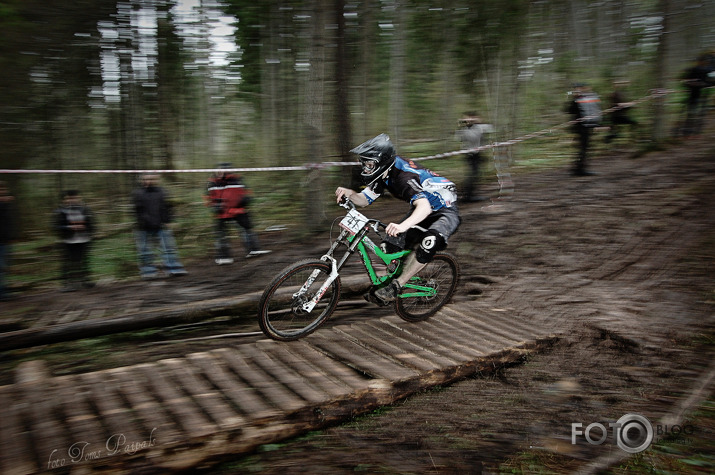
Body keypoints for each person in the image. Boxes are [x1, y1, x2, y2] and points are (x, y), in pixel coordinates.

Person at [335, 134, 461, 305]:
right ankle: (395, 277)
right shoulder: (384, 173)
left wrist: (403, 226)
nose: (365, 168)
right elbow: (364, 200)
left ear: (382, 161)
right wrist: (351, 194)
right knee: (390, 245)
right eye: (364, 164)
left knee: (430, 241)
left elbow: (424, 207)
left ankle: (397, 286)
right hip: (423, 209)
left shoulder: (403, 177)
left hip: (444, 210)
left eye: (369, 164)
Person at [206, 163, 270, 264]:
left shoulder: (237, 180)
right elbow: (207, 197)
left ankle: (253, 249)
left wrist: (246, 199)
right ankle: (223, 256)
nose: (220, 172)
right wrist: (214, 206)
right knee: (221, 234)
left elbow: (247, 192)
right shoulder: (211, 183)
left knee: (247, 229)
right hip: (221, 212)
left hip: (238, 210)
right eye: (218, 170)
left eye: (223, 170)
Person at [132, 174, 187, 278]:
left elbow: (167, 208)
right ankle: (148, 272)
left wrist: (168, 221)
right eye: (146, 179)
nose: (149, 181)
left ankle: (173, 269)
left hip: (161, 225)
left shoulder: (162, 192)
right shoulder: (137, 193)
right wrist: (144, 222)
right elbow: (137, 211)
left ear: (157, 180)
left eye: (152, 179)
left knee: (169, 248)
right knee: (145, 251)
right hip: (143, 226)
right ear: (142, 180)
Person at [54, 190, 94, 292]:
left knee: (84, 261)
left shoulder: (85, 209)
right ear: (65, 200)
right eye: (69, 198)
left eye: (75, 198)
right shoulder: (60, 211)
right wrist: (70, 227)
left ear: (79, 198)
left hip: (83, 239)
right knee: (68, 263)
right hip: (68, 240)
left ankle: (85, 281)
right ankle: (67, 284)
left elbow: (91, 222)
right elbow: (56, 226)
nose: (72, 200)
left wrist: (87, 229)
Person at [455, 112, 494, 202]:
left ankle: (467, 193)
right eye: (468, 118)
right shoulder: (464, 130)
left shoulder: (479, 127)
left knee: (476, 174)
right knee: (473, 174)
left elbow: (490, 128)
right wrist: (462, 125)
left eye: (472, 118)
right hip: (470, 155)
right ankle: (467, 196)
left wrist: (478, 122)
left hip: (478, 154)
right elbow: (461, 138)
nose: (470, 120)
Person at [565, 83, 601, 176]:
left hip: (588, 126)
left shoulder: (589, 98)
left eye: (581, 88)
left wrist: (597, 125)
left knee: (584, 148)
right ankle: (578, 169)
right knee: (583, 148)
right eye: (577, 88)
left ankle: (578, 168)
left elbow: (594, 111)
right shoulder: (577, 99)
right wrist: (573, 99)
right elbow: (569, 110)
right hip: (580, 128)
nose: (579, 90)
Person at [681, 53, 714, 137]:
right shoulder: (704, 70)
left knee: (693, 110)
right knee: (693, 110)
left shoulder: (696, 69)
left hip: (696, 93)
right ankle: (691, 130)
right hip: (696, 93)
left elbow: (686, 80)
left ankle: (691, 130)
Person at [0, 181, 18, 301]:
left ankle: (4, 290)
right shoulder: (4, 205)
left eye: (4, 191)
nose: (3, 193)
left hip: (5, 241)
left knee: (4, 267)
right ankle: (2, 292)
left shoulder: (6, 206)